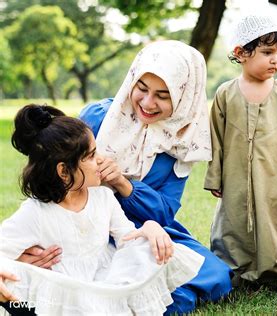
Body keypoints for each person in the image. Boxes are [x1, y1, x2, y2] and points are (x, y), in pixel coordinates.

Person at [0, 104, 204, 315]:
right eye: (90, 155)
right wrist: (16, 262)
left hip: (104, 282)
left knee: (149, 246)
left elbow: (127, 237)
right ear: (63, 171)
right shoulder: (36, 212)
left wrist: (150, 227)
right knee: (9, 275)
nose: (100, 160)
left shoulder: (103, 196)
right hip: (62, 291)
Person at [78, 40, 233, 314]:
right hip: (85, 224)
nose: (148, 103)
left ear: (184, 97)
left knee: (215, 274)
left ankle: (144, 296)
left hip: (147, 229)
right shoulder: (98, 118)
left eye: (163, 95)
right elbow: (53, 175)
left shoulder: (181, 142)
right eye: (142, 88)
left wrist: (123, 185)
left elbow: (164, 213)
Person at [204, 14, 277, 290]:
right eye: (267, 52)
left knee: (276, 223)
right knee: (233, 223)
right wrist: (215, 178)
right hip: (235, 178)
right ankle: (235, 270)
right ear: (241, 53)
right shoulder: (225, 93)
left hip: (273, 179)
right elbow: (215, 139)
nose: (275, 60)